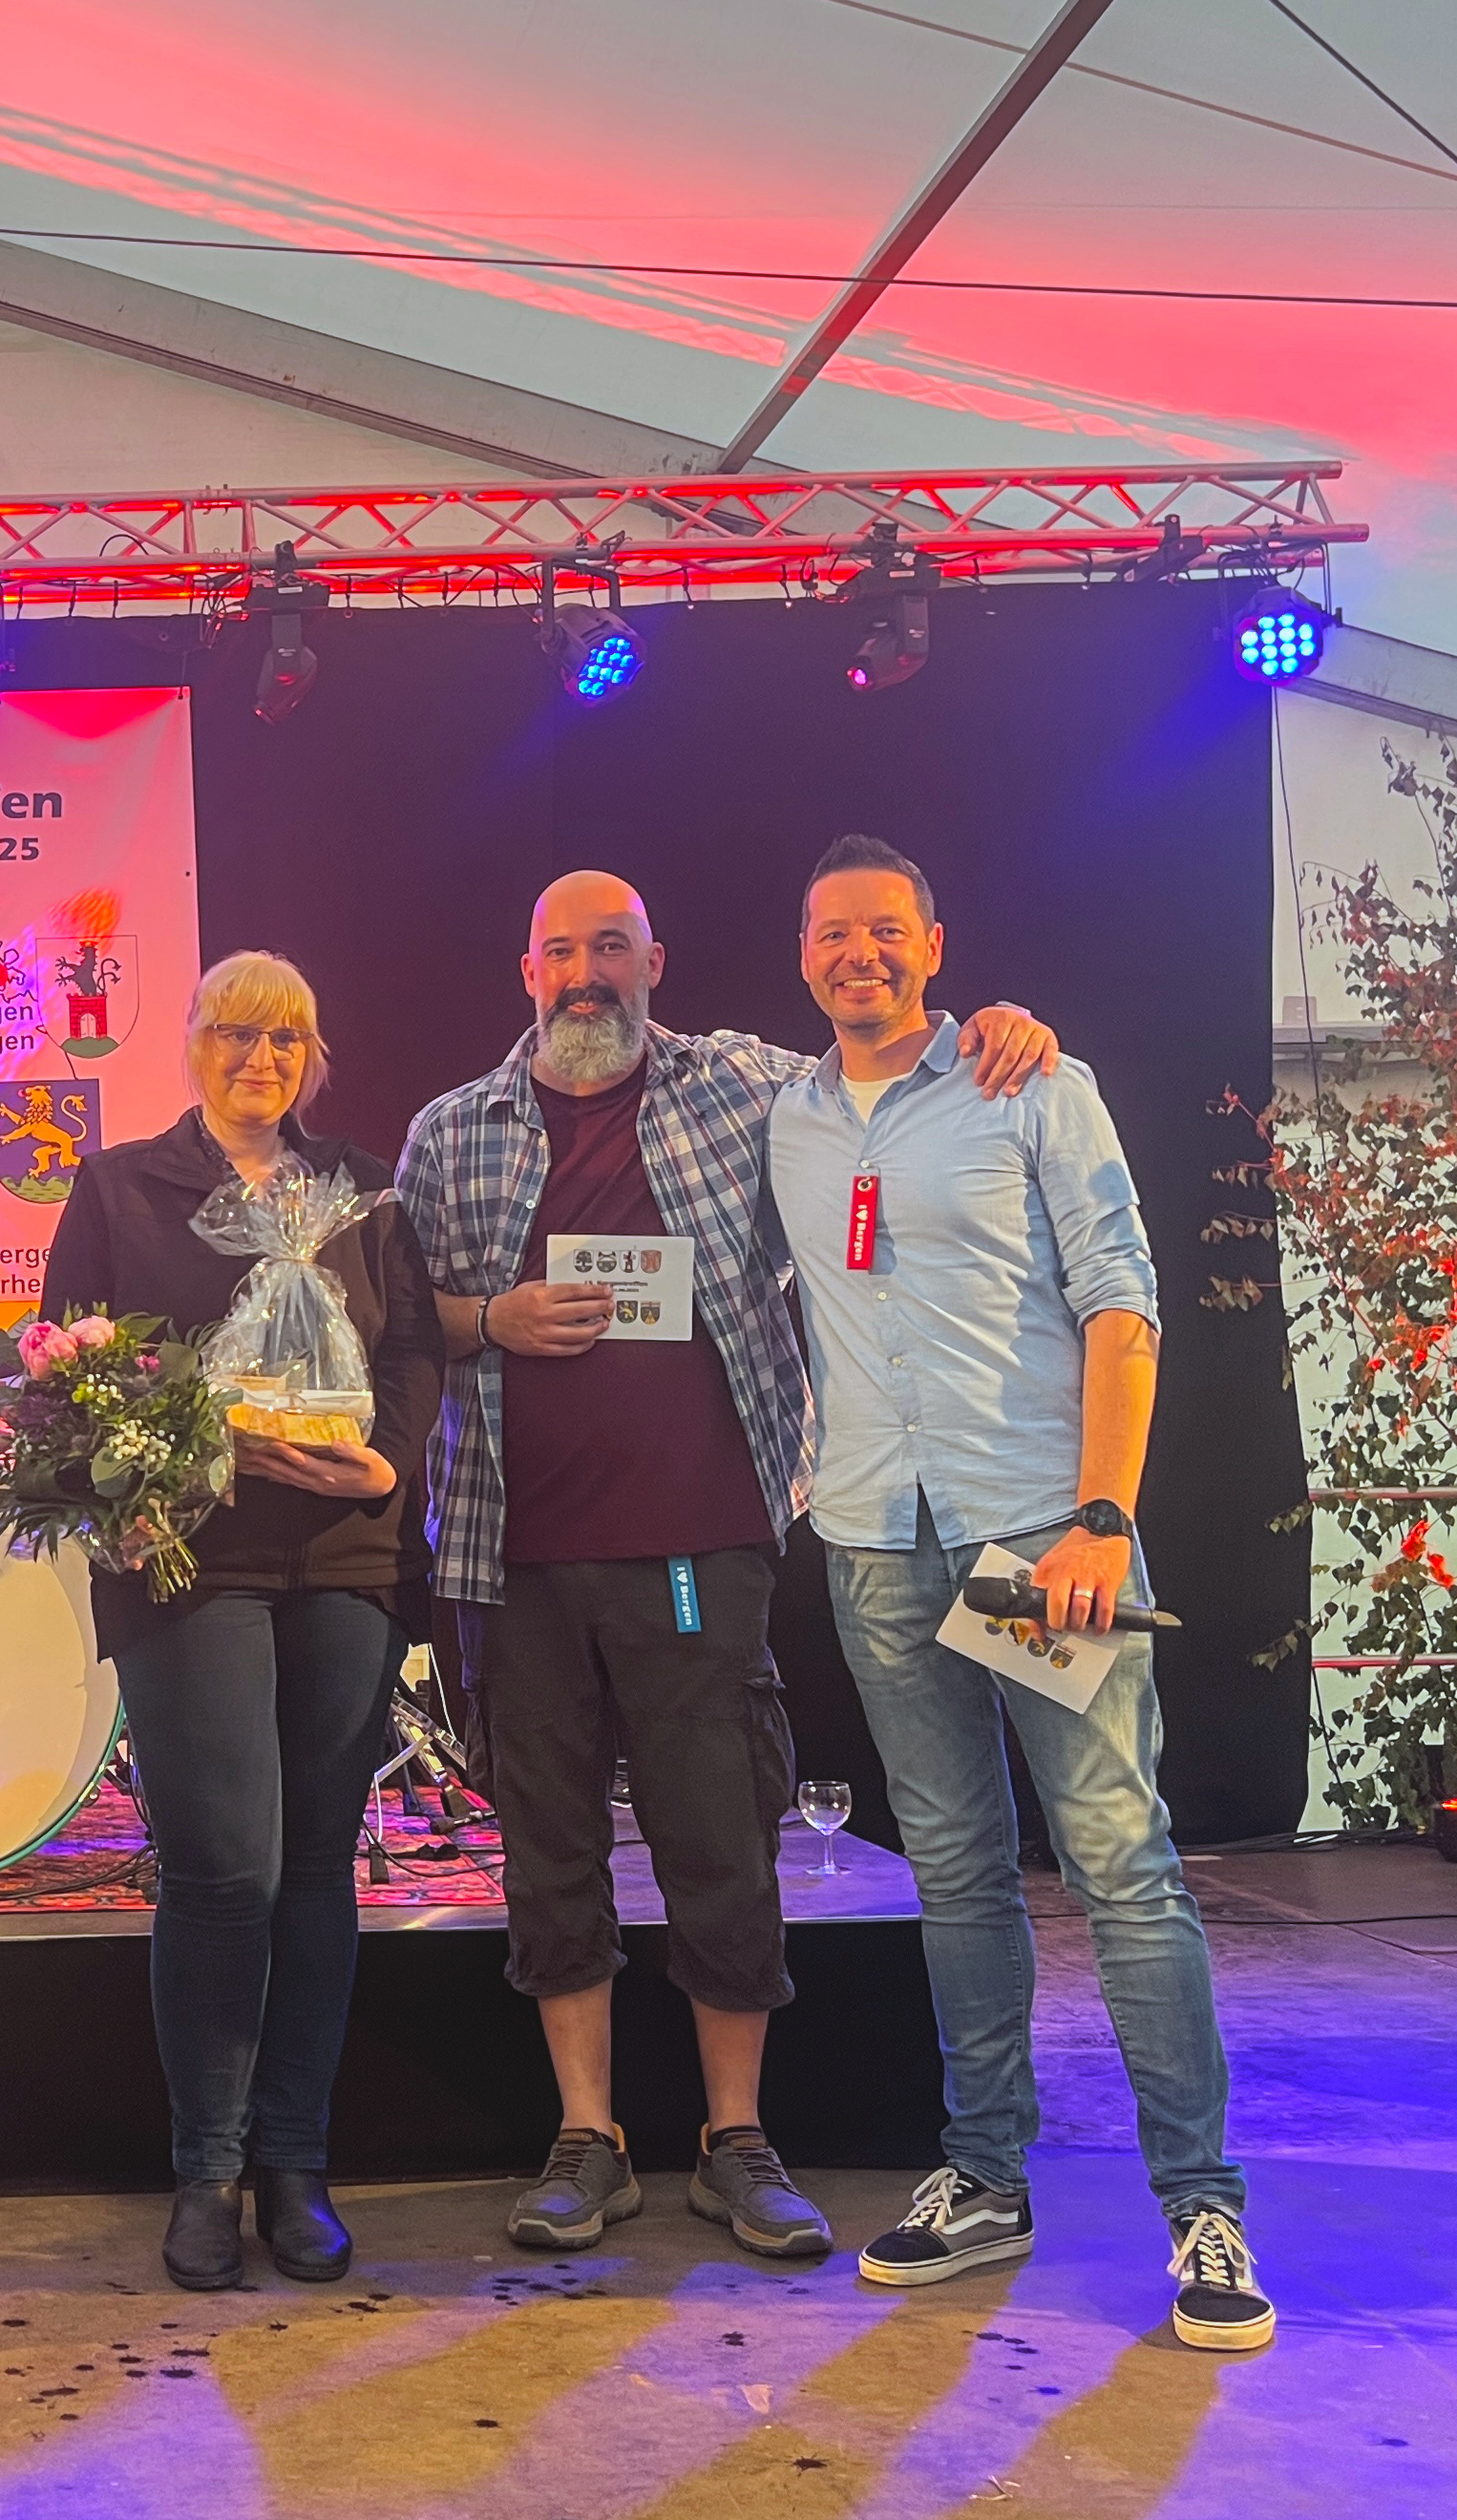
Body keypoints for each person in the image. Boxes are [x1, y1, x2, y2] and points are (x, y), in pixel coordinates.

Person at [394, 871, 1053, 2266]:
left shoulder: (747, 1089)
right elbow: (399, 1323)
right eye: (561, 950)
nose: (586, 972)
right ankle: (587, 2137)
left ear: (656, 962)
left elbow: (881, 1069)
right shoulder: (450, 1132)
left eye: (612, 947)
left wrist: (990, 1029)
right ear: (527, 971)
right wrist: (493, 1317)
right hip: (512, 1557)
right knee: (551, 1850)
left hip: (700, 1549)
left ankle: (735, 2139)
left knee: (721, 1842)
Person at [765, 836, 1269, 2353]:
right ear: (803, 954)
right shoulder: (783, 1112)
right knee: (957, 1874)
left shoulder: (1030, 1083)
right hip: (877, 1537)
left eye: (885, 930)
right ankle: (986, 2176)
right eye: (832, 932)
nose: (858, 954)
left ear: (934, 942)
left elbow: (1124, 1302)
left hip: (1032, 1541)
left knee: (1118, 1864)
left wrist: (1103, 1519)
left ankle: (1203, 2204)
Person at [38, 952, 439, 2291]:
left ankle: (297, 2166)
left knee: (318, 1865)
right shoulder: (120, 1187)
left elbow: (412, 1349)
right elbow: (70, 1359)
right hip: (187, 1557)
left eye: (286, 1039)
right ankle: (206, 2169)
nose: (259, 1058)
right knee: (225, 1871)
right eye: (234, 1032)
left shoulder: (364, 1189)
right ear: (192, 1042)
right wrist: (154, 1468)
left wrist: (383, 1462)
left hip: (346, 1551)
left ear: (314, 1058)